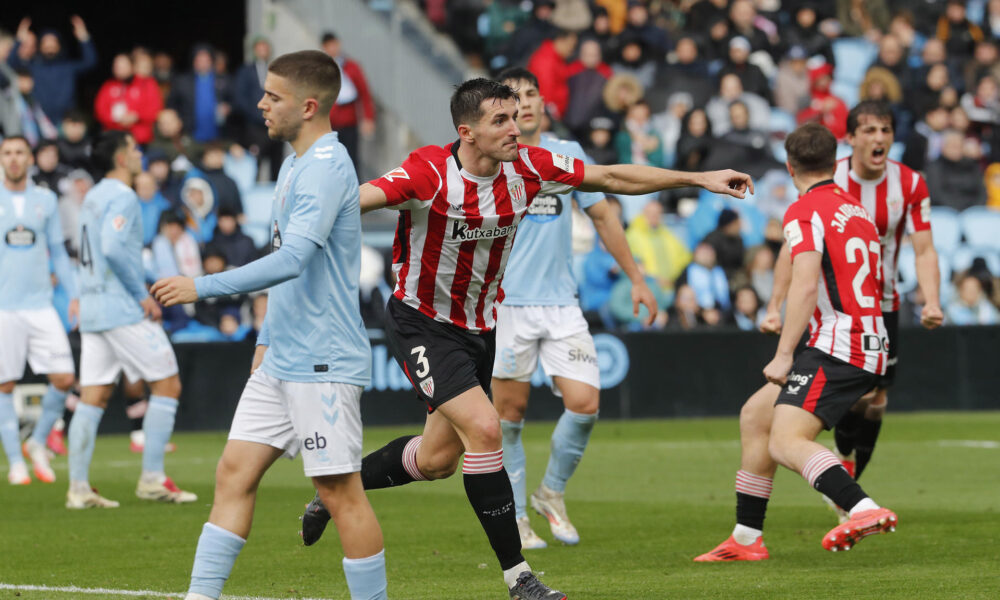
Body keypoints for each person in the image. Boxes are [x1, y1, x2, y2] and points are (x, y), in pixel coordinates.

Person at [294, 75, 752, 599]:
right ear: (466, 131)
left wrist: (699, 178)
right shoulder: (428, 172)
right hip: (421, 322)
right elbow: (359, 200)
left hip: (480, 327)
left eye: (516, 117)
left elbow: (612, 177)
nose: (516, 128)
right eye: (501, 120)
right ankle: (520, 577)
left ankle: (335, 487)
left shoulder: (530, 168)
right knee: (487, 431)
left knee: (437, 460)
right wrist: (306, 227)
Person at [150, 50, 388, 600]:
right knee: (233, 473)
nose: (260, 104)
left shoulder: (328, 167)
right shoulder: (293, 163)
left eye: (272, 96)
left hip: (322, 360)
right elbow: (287, 269)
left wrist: (200, 285)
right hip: (281, 355)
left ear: (308, 106)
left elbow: (291, 261)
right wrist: (265, 336)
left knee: (338, 492)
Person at [695, 122, 898, 562]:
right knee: (756, 414)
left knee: (786, 441)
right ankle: (747, 538)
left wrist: (784, 353)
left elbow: (807, 283)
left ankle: (861, 508)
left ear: (789, 166)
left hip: (838, 344)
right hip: (868, 337)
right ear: (833, 162)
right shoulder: (855, 209)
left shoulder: (805, 211)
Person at [493, 67, 655, 549]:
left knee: (585, 405)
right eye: (512, 97)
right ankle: (516, 517)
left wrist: (638, 279)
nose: (523, 103)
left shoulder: (569, 156)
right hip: (507, 305)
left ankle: (551, 494)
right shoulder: (491, 159)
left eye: (529, 94)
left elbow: (603, 215)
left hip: (561, 302)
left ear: (544, 102)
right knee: (510, 416)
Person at [69, 130, 193, 509]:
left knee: (93, 396)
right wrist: (142, 293)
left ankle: (78, 488)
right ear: (121, 158)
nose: (139, 153)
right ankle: (153, 478)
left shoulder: (92, 196)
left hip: (92, 305)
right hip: (119, 306)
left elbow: (87, 249)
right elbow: (110, 247)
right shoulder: (123, 196)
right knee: (168, 385)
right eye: (134, 148)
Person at [832, 101, 943, 498]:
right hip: (839, 304)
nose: (879, 138)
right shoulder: (831, 179)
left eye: (885, 130)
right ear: (850, 138)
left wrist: (931, 300)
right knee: (857, 390)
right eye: (869, 130)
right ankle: (844, 470)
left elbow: (925, 249)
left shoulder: (910, 183)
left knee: (878, 395)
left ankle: (849, 474)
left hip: (885, 303)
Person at [0, 136, 79, 485]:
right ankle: (16, 461)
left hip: (40, 305)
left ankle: (36, 441)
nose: (14, 159)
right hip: (5, 308)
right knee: (4, 384)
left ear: (30, 159)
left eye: (19, 153)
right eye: (7, 153)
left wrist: (74, 293)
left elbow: (59, 253)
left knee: (64, 378)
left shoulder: (45, 200)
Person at [9, 16, 97, 123]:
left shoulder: (68, 67)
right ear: (39, 46)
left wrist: (84, 37)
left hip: (66, 122)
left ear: (60, 45)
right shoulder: (33, 67)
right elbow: (11, 63)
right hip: (40, 121)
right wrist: (19, 39)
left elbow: (90, 62)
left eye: (53, 41)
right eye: (46, 42)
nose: (49, 45)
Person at [321, 32, 376, 174]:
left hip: (349, 121)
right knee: (330, 162)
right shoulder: (321, 69)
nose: (332, 49)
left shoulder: (351, 67)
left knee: (351, 160)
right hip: (329, 124)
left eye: (334, 45)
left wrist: (368, 118)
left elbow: (364, 93)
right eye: (329, 46)